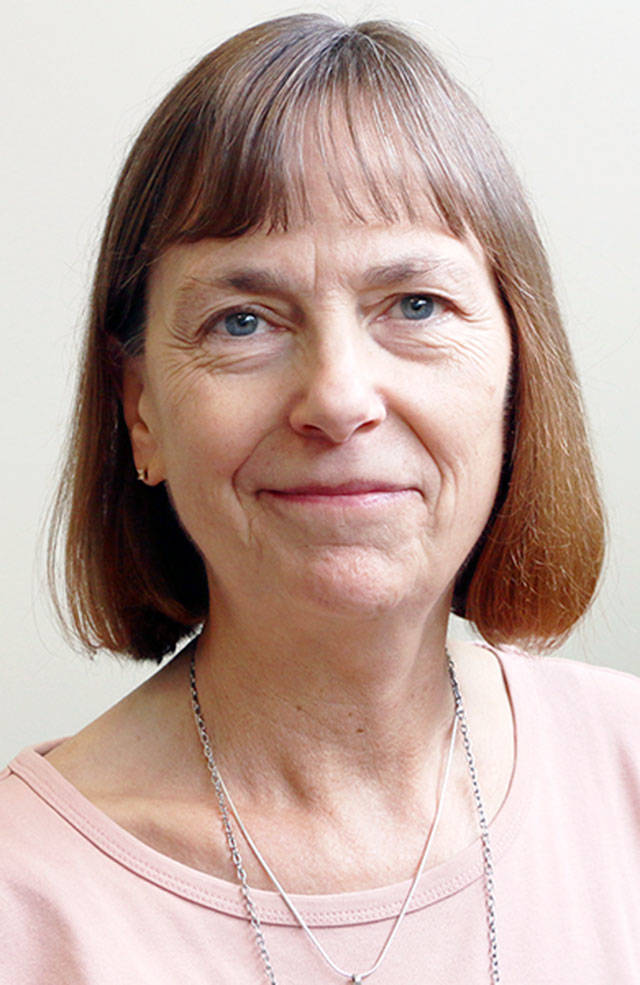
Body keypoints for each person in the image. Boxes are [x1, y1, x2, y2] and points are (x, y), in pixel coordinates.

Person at [1, 12, 639, 985]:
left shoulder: (627, 773)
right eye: (242, 320)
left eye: (415, 304)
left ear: (517, 380)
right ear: (140, 412)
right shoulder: (23, 900)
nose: (338, 398)